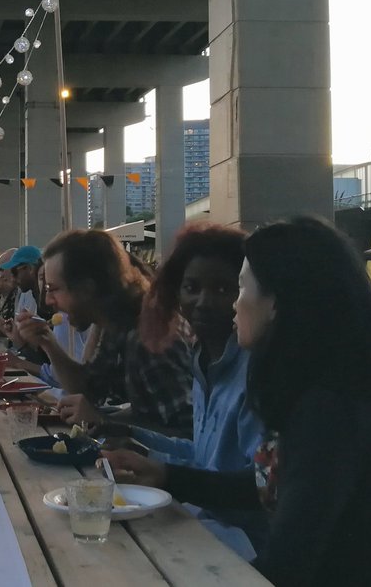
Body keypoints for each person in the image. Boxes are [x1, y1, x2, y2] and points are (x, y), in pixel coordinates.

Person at [104, 217, 371, 587]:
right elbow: (269, 486)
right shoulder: (312, 385)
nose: (233, 306)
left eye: (240, 288)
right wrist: (166, 475)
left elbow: (289, 564)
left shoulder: (327, 409)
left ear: (278, 302)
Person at [108, 222, 267, 559]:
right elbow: (204, 457)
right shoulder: (204, 359)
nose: (204, 302)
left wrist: (167, 475)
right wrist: (136, 441)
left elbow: (259, 486)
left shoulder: (259, 371)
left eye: (225, 289)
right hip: (205, 523)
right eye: (191, 287)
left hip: (248, 548)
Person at [15, 230, 191, 432]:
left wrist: (102, 420)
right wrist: (48, 342)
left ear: (87, 289)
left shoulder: (149, 334)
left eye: (53, 289)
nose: (47, 300)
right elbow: (89, 390)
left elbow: (186, 429)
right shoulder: (115, 322)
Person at [1, 245, 49, 319]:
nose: (13, 279)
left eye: (15, 272)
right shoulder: (36, 291)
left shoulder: (46, 291)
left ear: (30, 268)